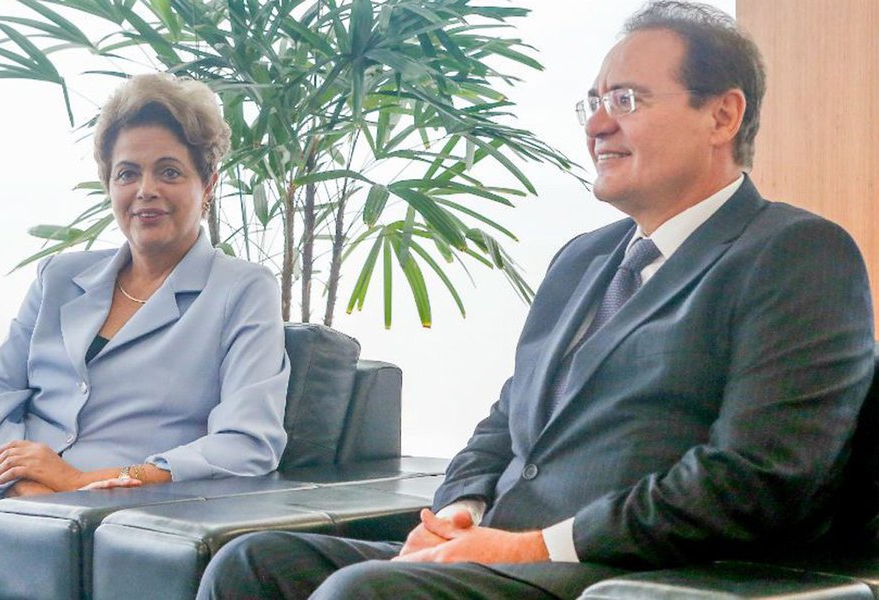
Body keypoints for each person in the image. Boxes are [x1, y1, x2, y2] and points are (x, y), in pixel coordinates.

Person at [196, 2, 875, 599]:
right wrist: (461, 506)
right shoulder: (582, 259)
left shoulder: (794, 254)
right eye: (593, 102)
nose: (597, 126)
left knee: (365, 593)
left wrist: (535, 545)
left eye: (627, 100)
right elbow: (504, 423)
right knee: (255, 562)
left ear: (720, 114)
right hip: (502, 553)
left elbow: (753, 478)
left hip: (627, 570)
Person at [0, 73, 290, 599]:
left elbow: (248, 443)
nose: (145, 190)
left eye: (169, 171)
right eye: (128, 173)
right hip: (3, 490)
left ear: (208, 184)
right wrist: (20, 487)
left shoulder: (241, 289)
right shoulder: (62, 277)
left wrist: (79, 483)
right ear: (109, 183)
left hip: (111, 504)